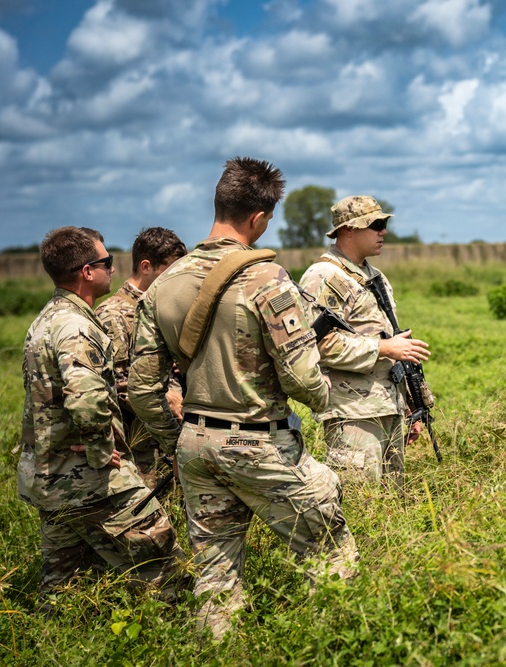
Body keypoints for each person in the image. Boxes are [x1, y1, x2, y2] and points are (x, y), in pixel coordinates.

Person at [128, 157, 358, 641]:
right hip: (261, 445)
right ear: (259, 219)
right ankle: (337, 643)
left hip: (195, 445)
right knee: (331, 549)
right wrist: (322, 394)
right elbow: (300, 378)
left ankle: (219, 650)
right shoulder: (267, 279)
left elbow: (142, 388)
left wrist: (179, 436)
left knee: (216, 575)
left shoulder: (163, 283)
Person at [16, 226, 186, 610]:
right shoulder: (77, 326)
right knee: (158, 544)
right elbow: (87, 397)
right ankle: (173, 629)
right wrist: (99, 447)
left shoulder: (47, 318)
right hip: (82, 476)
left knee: (65, 574)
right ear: (86, 272)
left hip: (50, 473)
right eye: (106, 262)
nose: (113, 268)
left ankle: (55, 633)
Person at [299, 195, 431, 487]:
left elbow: (388, 340)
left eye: (383, 224)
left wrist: (408, 405)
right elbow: (317, 345)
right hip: (353, 414)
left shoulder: (375, 277)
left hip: (387, 407)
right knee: (361, 501)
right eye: (375, 224)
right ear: (348, 230)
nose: (383, 231)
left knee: (394, 503)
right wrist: (384, 348)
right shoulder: (325, 276)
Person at [95, 227, 187, 486]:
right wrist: (169, 401)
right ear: (146, 266)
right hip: (137, 451)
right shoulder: (115, 315)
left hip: (163, 439)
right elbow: (120, 384)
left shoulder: (158, 309)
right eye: (170, 271)